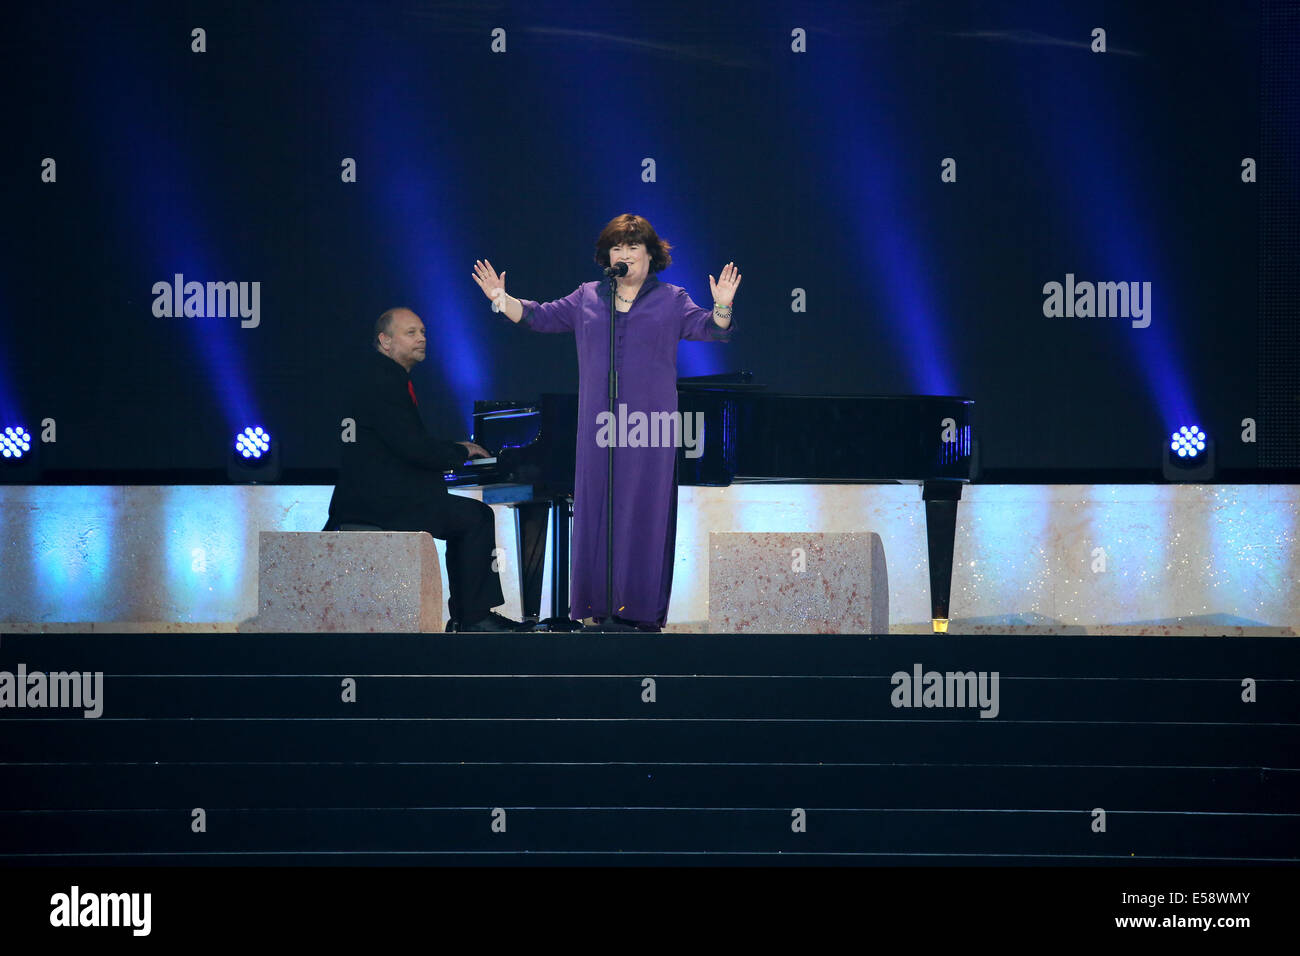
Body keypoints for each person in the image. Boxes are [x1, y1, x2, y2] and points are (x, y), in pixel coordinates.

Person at [471, 214, 740, 631]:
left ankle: (641, 612)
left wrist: (722, 305)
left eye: (633, 247)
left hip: (651, 426)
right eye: (617, 247)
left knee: (644, 512)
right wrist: (500, 298)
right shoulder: (587, 297)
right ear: (606, 256)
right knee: (599, 510)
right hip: (600, 425)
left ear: (650, 255)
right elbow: (541, 316)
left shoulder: (672, 299)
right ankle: (600, 607)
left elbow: (711, 328)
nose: (625, 254)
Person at [323, 307, 518, 632]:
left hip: (384, 497)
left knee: (465, 517)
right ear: (385, 341)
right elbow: (411, 447)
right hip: (381, 504)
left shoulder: (384, 376)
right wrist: (459, 452)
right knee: (476, 517)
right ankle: (472, 618)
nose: (422, 339)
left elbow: (405, 443)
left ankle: (466, 617)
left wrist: (453, 452)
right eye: (411, 332)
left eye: (423, 332)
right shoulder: (383, 380)